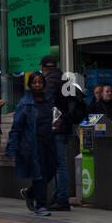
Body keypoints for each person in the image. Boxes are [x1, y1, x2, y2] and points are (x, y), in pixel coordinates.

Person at [5, 72, 56, 217]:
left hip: (48, 142)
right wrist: (12, 148)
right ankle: (40, 205)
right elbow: (17, 127)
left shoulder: (48, 101)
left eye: (40, 82)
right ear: (30, 85)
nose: (38, 85)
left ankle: (29, 193)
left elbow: (53, 118)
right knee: (39, 174)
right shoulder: (25, 103)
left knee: (50, 172)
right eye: (35, 82)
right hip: (33, 144)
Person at [40, 54, 84, 211]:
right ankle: (59, 196)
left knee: (59, 165)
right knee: (60, 164)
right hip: (66, 126)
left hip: (56, 128)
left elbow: (48, 104)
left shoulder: (50, 82)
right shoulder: (66, 79)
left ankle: (61, 199)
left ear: (44, 68)